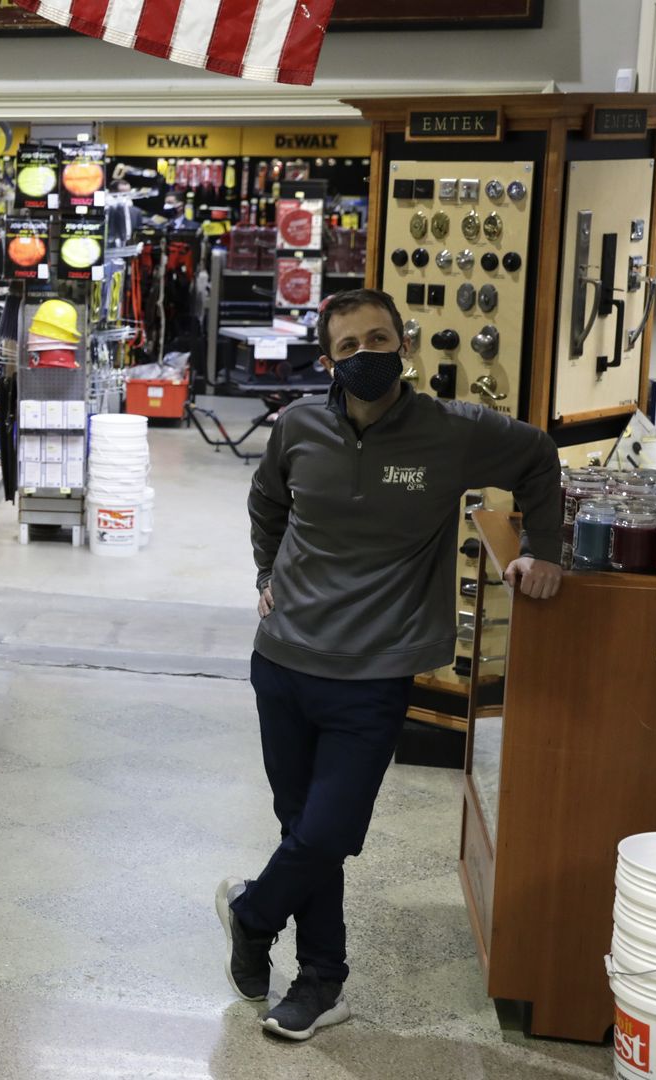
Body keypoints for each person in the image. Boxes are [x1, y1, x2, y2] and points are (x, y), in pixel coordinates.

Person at [218, 287, 562, 1041]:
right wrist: (264, 572)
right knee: (302, 824)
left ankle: (251, 913)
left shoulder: (453, 431)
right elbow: (266, 501)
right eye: (349, 348)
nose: (366, 356)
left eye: (379, 340)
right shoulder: (299, 425)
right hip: (282, 663)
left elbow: (537, 457)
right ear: (328, 360)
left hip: (373, 673)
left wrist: (542, 551)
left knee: (326, 832)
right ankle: (321, 981)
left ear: (403, 345)